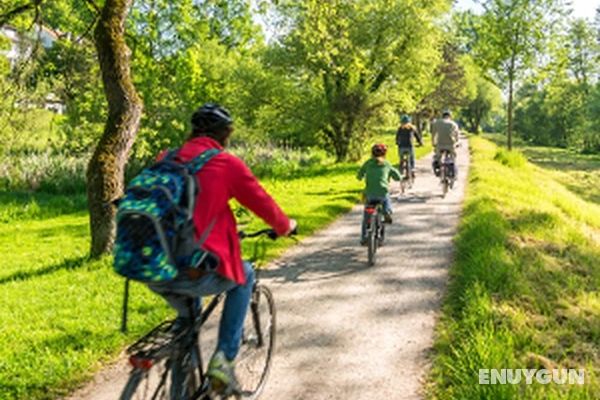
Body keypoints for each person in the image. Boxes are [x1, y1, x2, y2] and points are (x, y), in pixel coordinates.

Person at [147, 103, 296, 395]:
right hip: (194, 271)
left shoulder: (166, 158)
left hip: (151, 266)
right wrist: (286, 226)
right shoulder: (226, 164)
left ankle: (181, 380)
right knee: (246, 275)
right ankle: (224, 360)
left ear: (192, 132)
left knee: (187, 324)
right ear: (225, 134)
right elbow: (262, 202)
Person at [357, 143, 401, 245]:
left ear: (372, 153)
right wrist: (399, 177)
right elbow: (397, 177)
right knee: (386, 198)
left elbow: (359, 176)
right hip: (382, 192)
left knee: (366, 218)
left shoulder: (367, 163)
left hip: (370, 194)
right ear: (385, 154)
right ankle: (387, 212)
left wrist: (361, 176)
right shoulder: (386, 164)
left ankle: (364, 238)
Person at [431, 110, 460, 176]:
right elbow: (457, 135)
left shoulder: (437, 123)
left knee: (437, 157)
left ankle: (438, 170)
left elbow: (433, 134)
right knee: (453, 158)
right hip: (450, 145)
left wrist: (433, 143)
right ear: (450, 116)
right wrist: (457, 143)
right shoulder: (453, 124)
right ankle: (453, 174)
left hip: (440, 145)